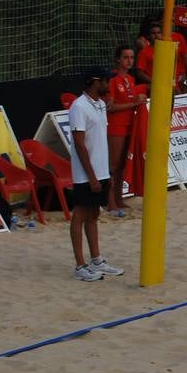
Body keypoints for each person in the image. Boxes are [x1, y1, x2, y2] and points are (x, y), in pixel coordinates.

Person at [68, 70, 125, 282]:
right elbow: (80, 144)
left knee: (94, 214)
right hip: (85, 173)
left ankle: (96, 259)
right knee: (80, 215)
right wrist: (91, 176)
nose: (109, 83)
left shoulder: (100, 104)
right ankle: (80, 265)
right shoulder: (78, 106)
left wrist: (106, 170)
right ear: (94, 82)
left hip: (100, 171)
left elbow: (100, 138)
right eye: (106, 80)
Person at [105, 44, 145, 218]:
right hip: (116, 126)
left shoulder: (130, 79)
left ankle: (119, 198)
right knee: (112, 167)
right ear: (118, 59)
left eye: (132, 58)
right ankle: (110, 201)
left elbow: (132, 100)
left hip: (129, 126)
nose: (129, 61)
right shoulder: (113, 79)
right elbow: (110, 106)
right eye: (126, 57)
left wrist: (138, 99)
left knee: (121, 166)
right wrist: (134, 103)